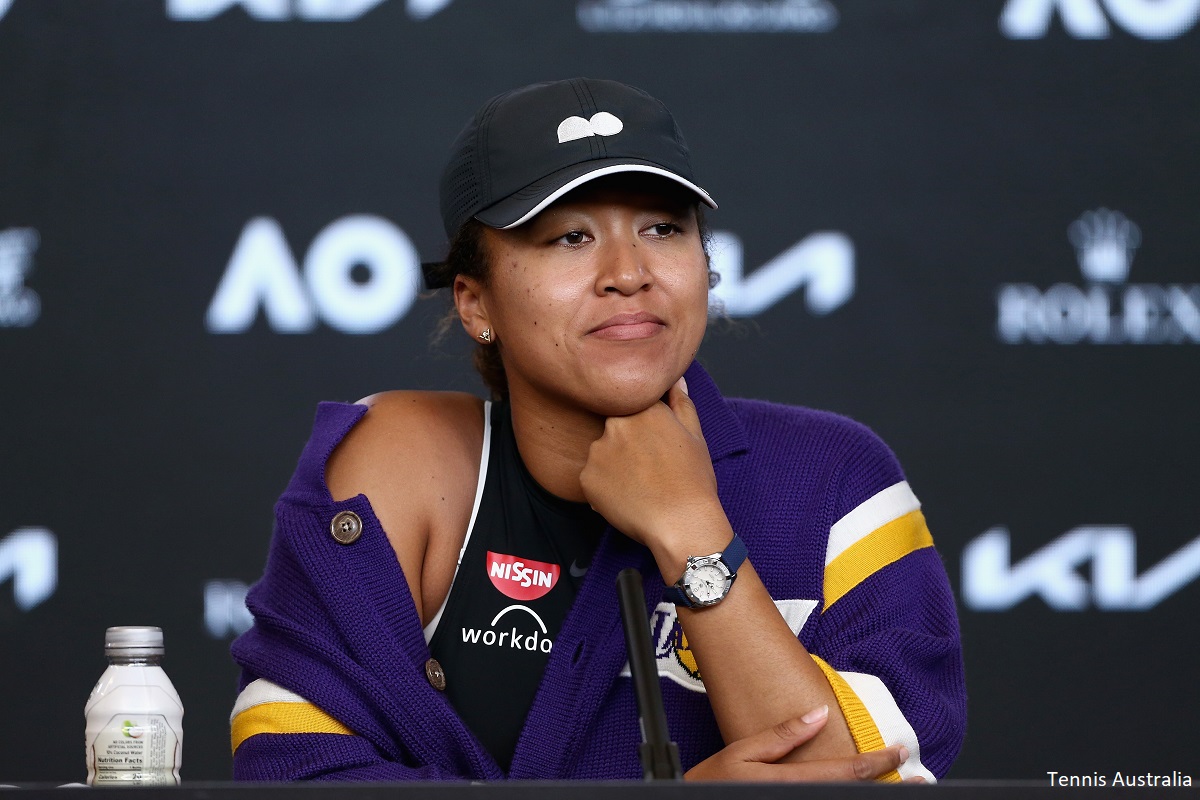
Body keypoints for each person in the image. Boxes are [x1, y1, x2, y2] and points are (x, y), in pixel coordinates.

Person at [229, 77, 966, 783]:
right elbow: (291, 771)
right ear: (475, 302)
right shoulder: (397, 462)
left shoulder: (833, 478)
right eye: (570, 237)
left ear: (705, 265)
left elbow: (863, 781)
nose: (628, 271)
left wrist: (691, 528)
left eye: (662, 228)